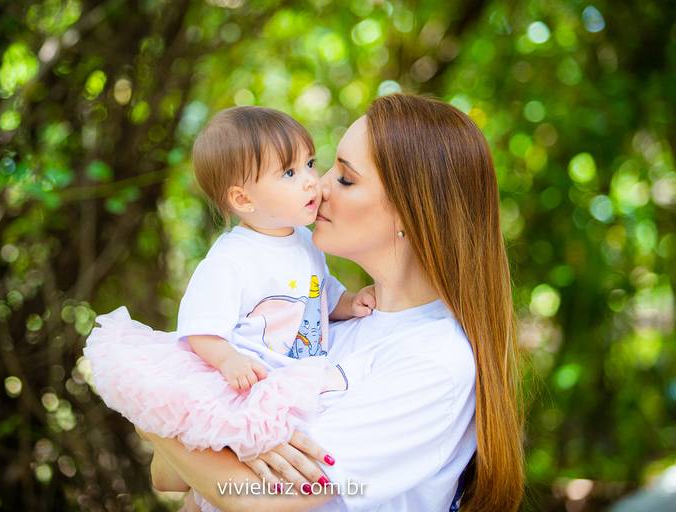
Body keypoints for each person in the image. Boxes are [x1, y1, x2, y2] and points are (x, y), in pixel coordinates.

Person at [138, 94, 525, 512]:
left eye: (345, 178)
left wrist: (150, 406)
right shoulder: (325, 325)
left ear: (411, 213)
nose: (316, 185)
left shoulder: (433, 362)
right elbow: (170, 476)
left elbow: (262, 499)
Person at [84, 106, 374, 490]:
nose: (310, 182)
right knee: (231, 472)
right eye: (289, 173)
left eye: (309, 164)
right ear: (243, 199)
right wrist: (228, 360)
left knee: (280, 466)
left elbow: (320, 295)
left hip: (294, 376)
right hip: (246, 385)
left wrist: (349, 303)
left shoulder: (305, 240)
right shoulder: (231, 259)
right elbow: (200, 330)